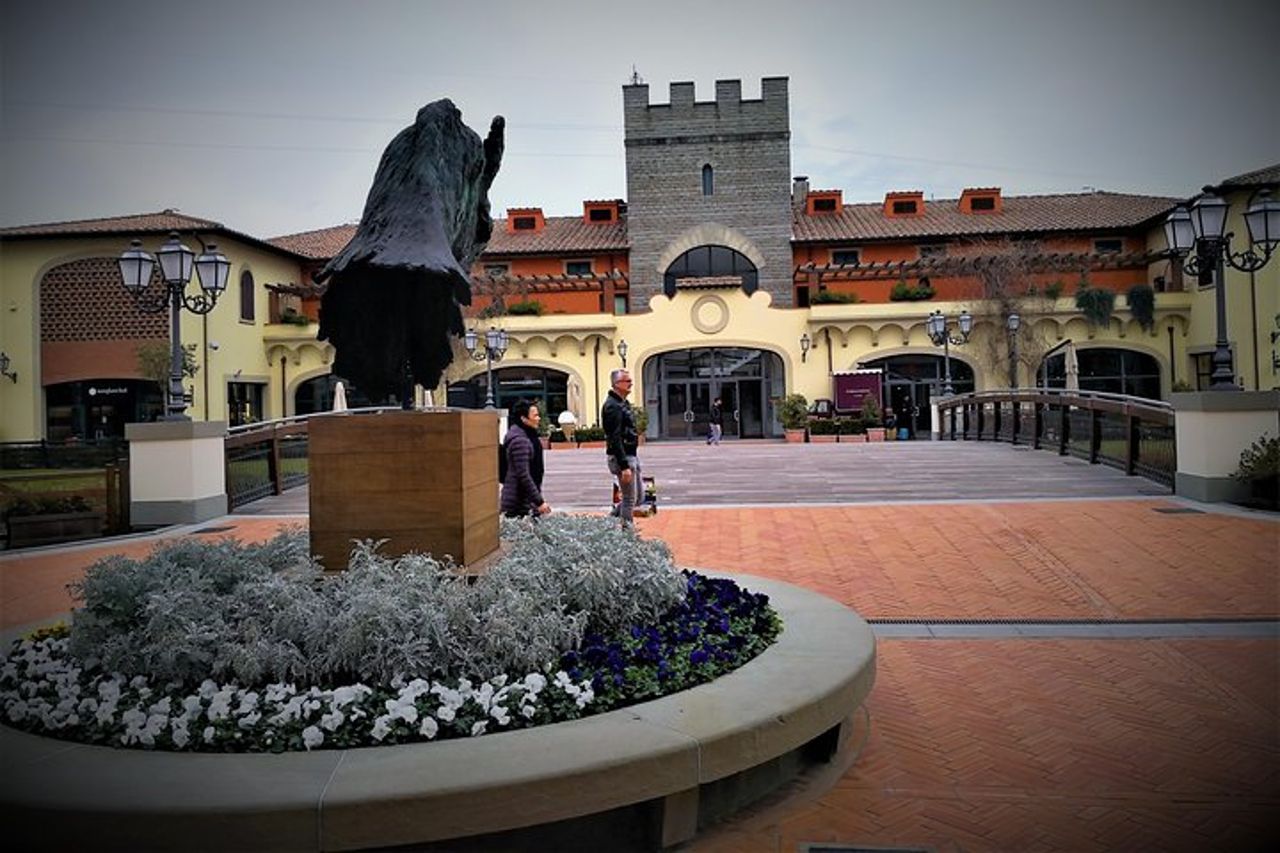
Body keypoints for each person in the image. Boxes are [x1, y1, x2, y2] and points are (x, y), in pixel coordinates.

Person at [601, 368, 642, 525]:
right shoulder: (613, 406)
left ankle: (610, 520)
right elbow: (614, 437)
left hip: (630, 454)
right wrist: (624, 465)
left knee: (638, 497)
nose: (631, 383)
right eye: (627, 381)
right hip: (622, 457)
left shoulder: (622, 403)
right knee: (629, 499)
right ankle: (627, 534)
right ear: (617, 384)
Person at [500, 398, 550, 519]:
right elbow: (523, 475)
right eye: (535, 415)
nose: (539, 418)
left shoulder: (529, 436)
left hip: (526, 500)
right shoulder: (520, 441)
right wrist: (539, 501)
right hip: (519, 504)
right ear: (524, 418)